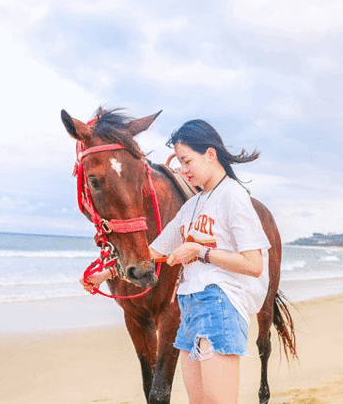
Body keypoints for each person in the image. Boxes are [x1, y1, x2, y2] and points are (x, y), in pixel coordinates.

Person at [82, 119, 271, 404]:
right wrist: (106, 273)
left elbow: (254, 265)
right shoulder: (191, 206)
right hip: (189, 309)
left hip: (219, 305)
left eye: (187, 161)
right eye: (180, 162)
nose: (183, 170)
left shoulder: (232, 197)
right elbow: (154, 252)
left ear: (210, 154)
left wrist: (200, 252)